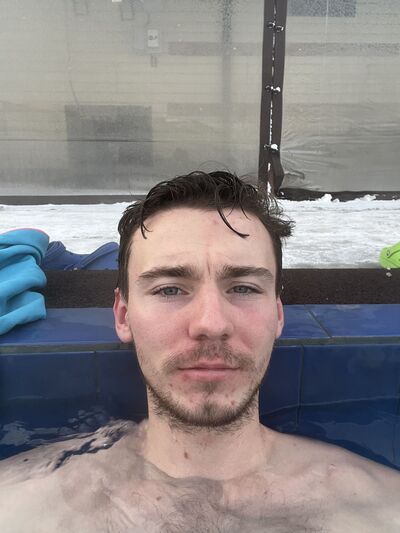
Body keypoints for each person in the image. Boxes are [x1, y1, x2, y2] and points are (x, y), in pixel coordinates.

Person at [0, 171, 399, 532]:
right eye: (169, 289)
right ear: (123, 316)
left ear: (278, 315)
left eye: (243, 288)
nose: (211, 323)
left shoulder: (382, 508)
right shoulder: (19, 506)